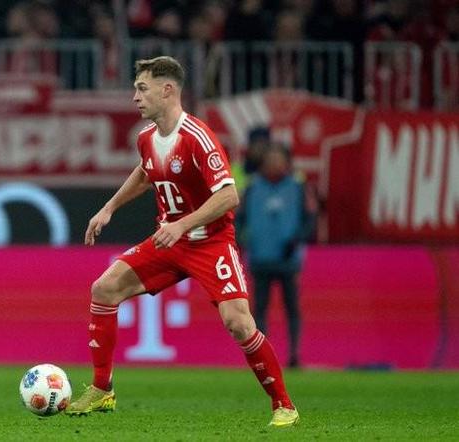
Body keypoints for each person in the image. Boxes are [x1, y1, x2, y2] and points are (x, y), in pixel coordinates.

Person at [64, 56, 299, 427]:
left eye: (142, 89)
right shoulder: (146, 138)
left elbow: (229, 195)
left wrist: (183, 225)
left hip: (210, 242)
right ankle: (101, 389)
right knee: (104, 289)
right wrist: (109, 208)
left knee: (239, 323)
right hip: (169, 242)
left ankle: (284, 405)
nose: (135, 97)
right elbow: (145, 173)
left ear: (167, 90)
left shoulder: (197, 137)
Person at [236, 144, 317, 368]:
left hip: (288, 259)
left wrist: (297, 240)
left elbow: (311, 219)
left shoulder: (298, 188)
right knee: (259, 310)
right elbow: (238, 219)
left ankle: (294, 355)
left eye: (278, 159)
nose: (274, 163)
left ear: (286, 163)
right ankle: (261, 357)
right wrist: (243, 240)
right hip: (260, 258)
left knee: (292, 308)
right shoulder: (251, 188)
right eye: (270, 159)